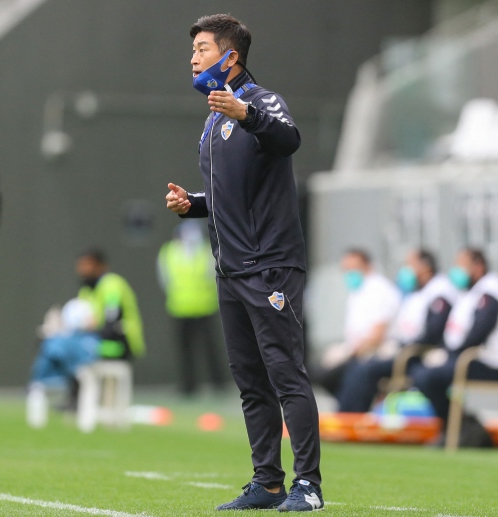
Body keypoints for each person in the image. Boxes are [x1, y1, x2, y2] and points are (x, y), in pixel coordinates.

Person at [166, 14, 322, 511]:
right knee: (251, 382)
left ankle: (308, 486)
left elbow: (288, 139)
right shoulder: (213, 122)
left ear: (230, 57)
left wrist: (244, 113)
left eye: (203, 48)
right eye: (192, 49)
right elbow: (226, 196)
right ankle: (267, 482)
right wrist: (193, 203)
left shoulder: (259, 101)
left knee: (286, 375)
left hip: (270, 265)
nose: (193, 57)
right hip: (230, 271)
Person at [336, 249, 458, 412]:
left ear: (425, 267)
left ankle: (353, 418)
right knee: (358, 366)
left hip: (419, 354)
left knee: (366, 369)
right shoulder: (416, 293)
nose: (405, 270)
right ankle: (346, 415)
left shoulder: (440, 291)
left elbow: (432, 333)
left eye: (409, 265)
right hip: (403, 349)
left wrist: (401, 346)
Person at [412, 248, 498, 441]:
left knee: (427, 377)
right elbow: (455, 332)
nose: (456, 269)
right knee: (421, 374)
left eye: (461, 264)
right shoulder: (470, 292)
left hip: (486, 360)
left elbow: (479, 332)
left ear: (478, 266)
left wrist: (451, 354)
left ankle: (459, 427)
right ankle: (463, 426)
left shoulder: (489, 290)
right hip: (469, 356)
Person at [314, 249, 401, 401]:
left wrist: (350, 353)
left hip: (377, 351)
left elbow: (377, 335)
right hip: (357, 349)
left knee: (346, 373)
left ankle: (351, 413)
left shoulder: (379, 289)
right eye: (346, 269)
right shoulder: (358, 291)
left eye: (353, 268)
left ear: (367, 266)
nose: (349, 273)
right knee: (320, 371)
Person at [157, 221, 225, 396]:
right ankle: (188, 385)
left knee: (210, 348)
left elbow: (214, 276)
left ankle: (218, 383)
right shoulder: (169, 252)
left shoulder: (206, 251)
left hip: (204, 307)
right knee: (185, 350)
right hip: (180, 307)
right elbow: (165, 278)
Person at [26, 298, 100, 428]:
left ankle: (37, 424)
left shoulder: (57, 339)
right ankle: (86, 423)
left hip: (49, 384)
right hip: (60, 385)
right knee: (88, 381)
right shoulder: (82, 340)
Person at [76, 249, 145, 361]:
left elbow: (112, 318)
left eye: (88, 265)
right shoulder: (85, 291)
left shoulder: (112, 284)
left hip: (121, 342)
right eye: (81, 265)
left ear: (101, 266)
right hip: (100, 340)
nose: (83, 270)